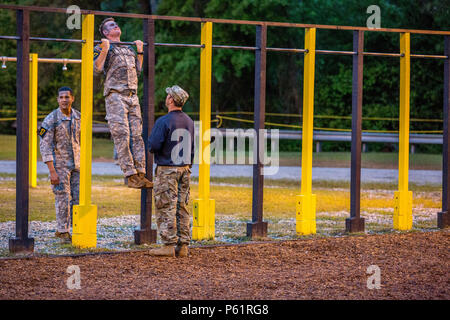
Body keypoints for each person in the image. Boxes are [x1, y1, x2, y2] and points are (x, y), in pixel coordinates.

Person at [93, 17, 152, 189]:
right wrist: (104, 49)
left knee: (137, 135)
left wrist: (140, 51)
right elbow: (96, 69)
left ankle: (141, 173)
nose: (116, 25)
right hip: (115, 95)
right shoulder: (101, 48)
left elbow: (138, 71)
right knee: (122, 134)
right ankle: (129, 174)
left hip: (132, 96)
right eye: (111, 25)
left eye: (116, 23)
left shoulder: (127, 49)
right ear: (105, 33)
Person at [147, 85, 194, 257]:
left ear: (171, 100)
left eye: (168, 95)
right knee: (182, 206)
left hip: (167, 169)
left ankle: (168, 244)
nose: (166, 97)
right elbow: (192, 148)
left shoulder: (164, 121)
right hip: (185, 168)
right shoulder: (189, 121)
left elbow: (153, 146)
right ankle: (183, 246)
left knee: (165, 206)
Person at [39, 87, 80, 242]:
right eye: (61, 97)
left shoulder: (79, 117)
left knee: (77, 198)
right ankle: (62, 231)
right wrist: (52, 171)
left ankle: (76, 229)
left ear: (72, 98)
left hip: (77, 165)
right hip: (59, 165)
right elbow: (44, 145)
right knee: (62, 197)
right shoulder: (51, 119)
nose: (64, 100)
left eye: (67, 97)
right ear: (57, 100)